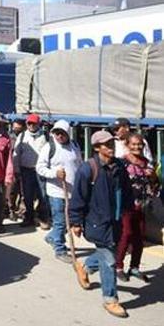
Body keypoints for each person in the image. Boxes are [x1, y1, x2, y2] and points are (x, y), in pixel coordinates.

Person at [70, 130, 132, 319]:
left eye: (112, 143)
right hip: (96, 222)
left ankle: (86, 267)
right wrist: (75, 221)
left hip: (115, 220)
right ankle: (110, 299)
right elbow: (78, 197)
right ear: (97, 147)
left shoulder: (119, 166)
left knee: (109, 254)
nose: (111, 147)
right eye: (106, 144)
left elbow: (126, 190)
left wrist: (128, 210)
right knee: (109, 260)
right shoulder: (87, 169)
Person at [36, 120, 83, 264]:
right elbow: (40, 168)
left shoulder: (74, 145)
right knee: (61, 221)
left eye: (62, 133)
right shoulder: (49, 147)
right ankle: (60, 249)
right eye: (56, 133)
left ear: (67, 133)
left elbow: (79, 164)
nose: (59, 136)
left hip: (72, 191)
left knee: (67, 222)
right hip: (56, 191)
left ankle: (52, 237)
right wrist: (55, 173)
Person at [115, 133, 158, 282]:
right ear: (127, 145)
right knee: (126, 235)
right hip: (127, 205)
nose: (137, 147)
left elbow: (153, 183)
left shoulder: (146, 162)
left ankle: (134, 267)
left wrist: (151, 176)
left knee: (139, 237)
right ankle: (118, 267)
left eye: (139, 144)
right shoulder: (121, 163)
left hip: (142, 205)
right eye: (133, 144)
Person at [13, 113, 49, 228]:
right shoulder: (22, 136)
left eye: (34, 123)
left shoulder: (46, 136)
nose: (31, 126)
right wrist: (16, 169)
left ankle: (42, 218)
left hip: (41, 172)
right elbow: (16, 154)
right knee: (27, 196)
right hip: (26, 171)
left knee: (42, 195)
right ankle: (28, 218)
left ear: (39, 124)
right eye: (29, 123)